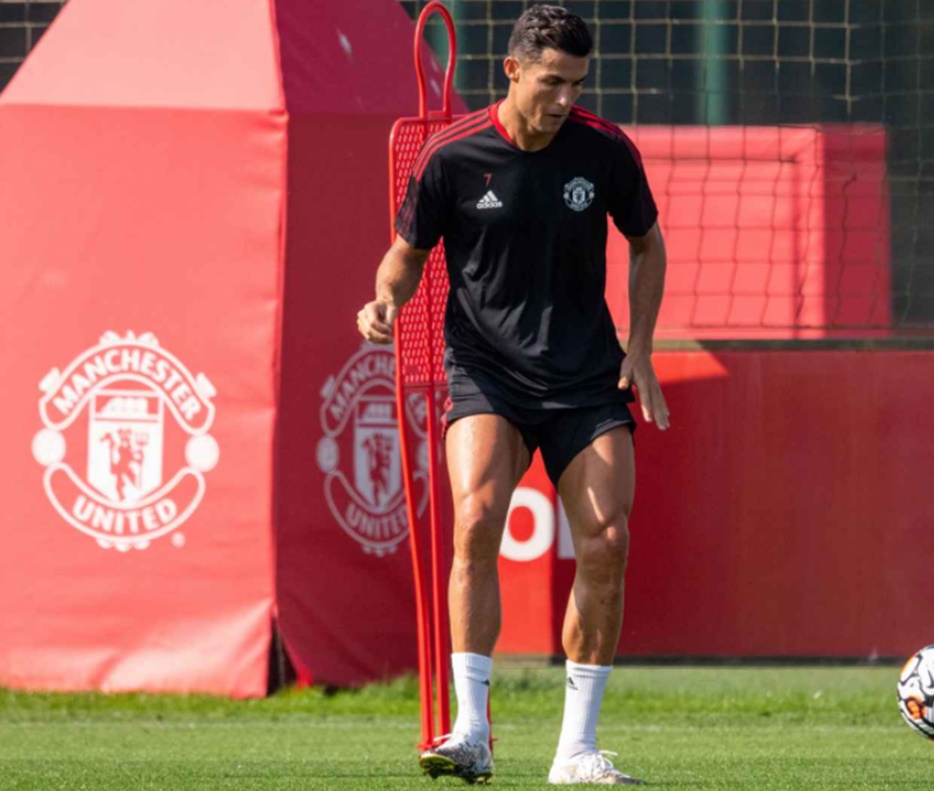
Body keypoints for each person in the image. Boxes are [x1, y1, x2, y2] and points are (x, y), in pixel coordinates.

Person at [356, 4, 668, 785]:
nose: (564, 97)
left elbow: (647, 243)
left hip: (587, 374)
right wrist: (385, 300)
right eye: (551, 81)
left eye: (576, 83)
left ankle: (577, 751)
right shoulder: (451, 156)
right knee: (476, 520)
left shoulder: (604, 151)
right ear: (513, 70)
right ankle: (471, 731)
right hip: (486, 369)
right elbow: (404, 256)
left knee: (608, 542)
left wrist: (641, 345)